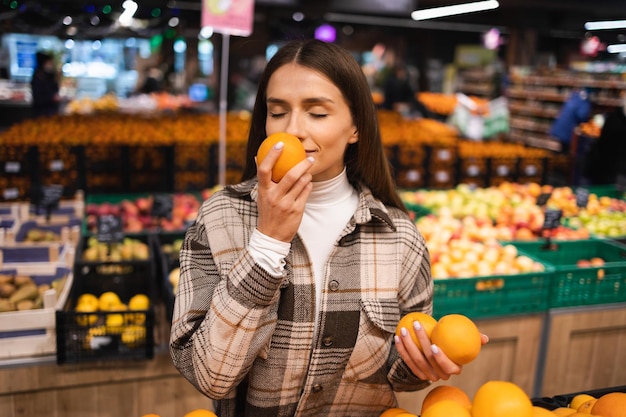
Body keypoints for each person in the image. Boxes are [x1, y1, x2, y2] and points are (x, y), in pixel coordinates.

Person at [170, 39, 486, 417]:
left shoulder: (399, 238)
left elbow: (398, 374)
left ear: (355, 127)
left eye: (317, 114)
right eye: (277, 112)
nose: (293, 130)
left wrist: (423, 364)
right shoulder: (220, 218)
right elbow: (208, 377)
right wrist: (267, 244)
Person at [549, 88, 592, 154]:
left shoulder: (573, 97)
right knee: (568, 151)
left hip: (560, 127)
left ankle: (560, 160)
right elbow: (582, 115)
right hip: (568, 130)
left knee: (563, 148)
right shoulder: (584, 102)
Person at [30, 51, 60, 117]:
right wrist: (51, 98)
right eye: (49, 63)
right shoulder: (38, 77)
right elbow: (38, 98)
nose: (51, 65)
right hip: (41, 112)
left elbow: (54, 89)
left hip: (51, 112)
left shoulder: (50, 76)